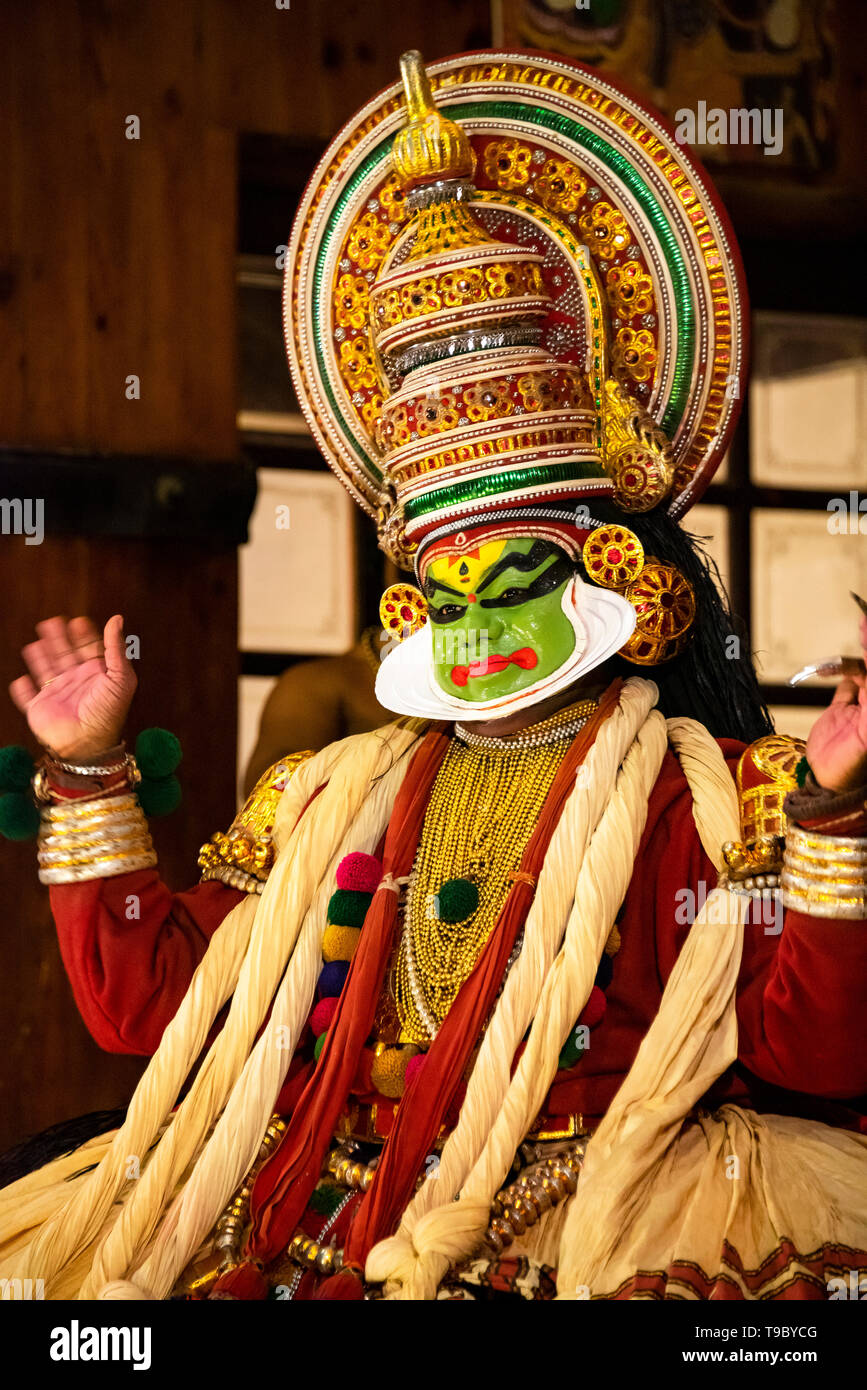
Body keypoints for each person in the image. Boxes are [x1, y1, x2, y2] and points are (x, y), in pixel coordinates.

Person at [1, 50, 865, 1303]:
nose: (474, 621)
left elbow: (820, 1055)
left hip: (587, 1214)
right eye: (446, 590)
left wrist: (836, 812)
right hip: (313, 1213)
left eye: (511, 576)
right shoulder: (322, 800)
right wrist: (88, 775)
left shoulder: (714, 801)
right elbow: (153, 1010)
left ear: (612, 573)